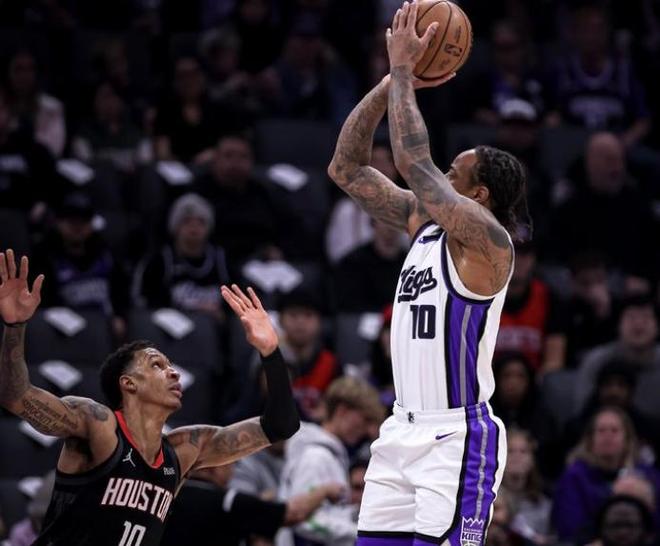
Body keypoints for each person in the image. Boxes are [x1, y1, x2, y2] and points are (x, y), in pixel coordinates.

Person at [327, 3, 530, 545]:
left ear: (478, 195)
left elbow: (414, 164)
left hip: (456, 437)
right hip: (400, 429)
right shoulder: (422, 222)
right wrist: (390, 83)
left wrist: (402, 71)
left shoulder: (489, 243)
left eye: (453, 174)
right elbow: (346, 168)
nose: (440, 175)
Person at [0, 248, 300, 545]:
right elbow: (15, 397)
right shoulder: (98, 424)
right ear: (129, 383)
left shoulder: (183, 451)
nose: (174, 373)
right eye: (157, 365)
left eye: (171, 366)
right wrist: (15, 326)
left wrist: (270, 352)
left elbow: (281, 425)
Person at [278, 376, 385, 546]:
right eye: (365, 419)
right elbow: (304, 521)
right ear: (342, 411)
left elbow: (328, 514)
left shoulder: (330, 455)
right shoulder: (315, 457)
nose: (367, 430)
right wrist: (358, 534)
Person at [163, 463, 343, 546]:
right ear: (212, 465)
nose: (233, 470)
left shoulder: (168, 493)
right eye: (230, 463)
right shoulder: (228, 500)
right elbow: (292, 513)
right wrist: (325, 491)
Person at [552, 407, 660, 543]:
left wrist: (646, 504)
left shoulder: (648, 476)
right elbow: (569, 529)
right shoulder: (574, 477)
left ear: (627, 439)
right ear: (590, 440)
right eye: (601, 431)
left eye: (614, 430)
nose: (608, 436)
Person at [133, 193, 229, 320]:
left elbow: (236, 298)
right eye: (187, 221)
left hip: (213, 326)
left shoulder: (221, 259)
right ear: (175, 226)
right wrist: (192, 309)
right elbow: (144, 301)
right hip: (170, 328)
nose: (194, 227)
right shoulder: (159, 261)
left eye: (201, 222)